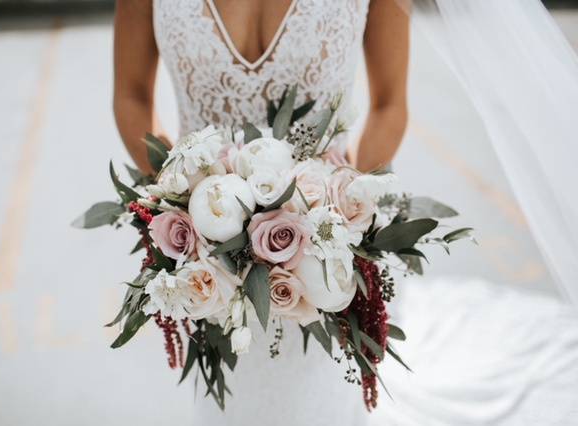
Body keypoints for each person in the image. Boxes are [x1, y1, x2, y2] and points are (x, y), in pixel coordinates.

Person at [112, 1, 578, 424]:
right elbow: (132, 94)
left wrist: (342, 213)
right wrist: (181, 199)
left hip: (324, 260)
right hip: (203, 263)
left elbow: (390, 103)